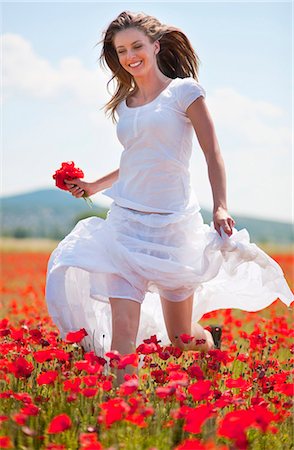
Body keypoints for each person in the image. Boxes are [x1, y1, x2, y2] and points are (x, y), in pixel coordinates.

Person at [45, 11, 293, 387]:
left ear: (155, 46)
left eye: (137, 46)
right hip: (125, 225)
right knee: (122, 333)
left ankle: (210, 345)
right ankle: (122, 410)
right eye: (122, 50)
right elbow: (137, 158)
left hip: (173, 228)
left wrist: (221, 204)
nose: (131, 56)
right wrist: (95, 185)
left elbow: (214, 155)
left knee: (181, 339)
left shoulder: (184, 92)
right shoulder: (125, 104)